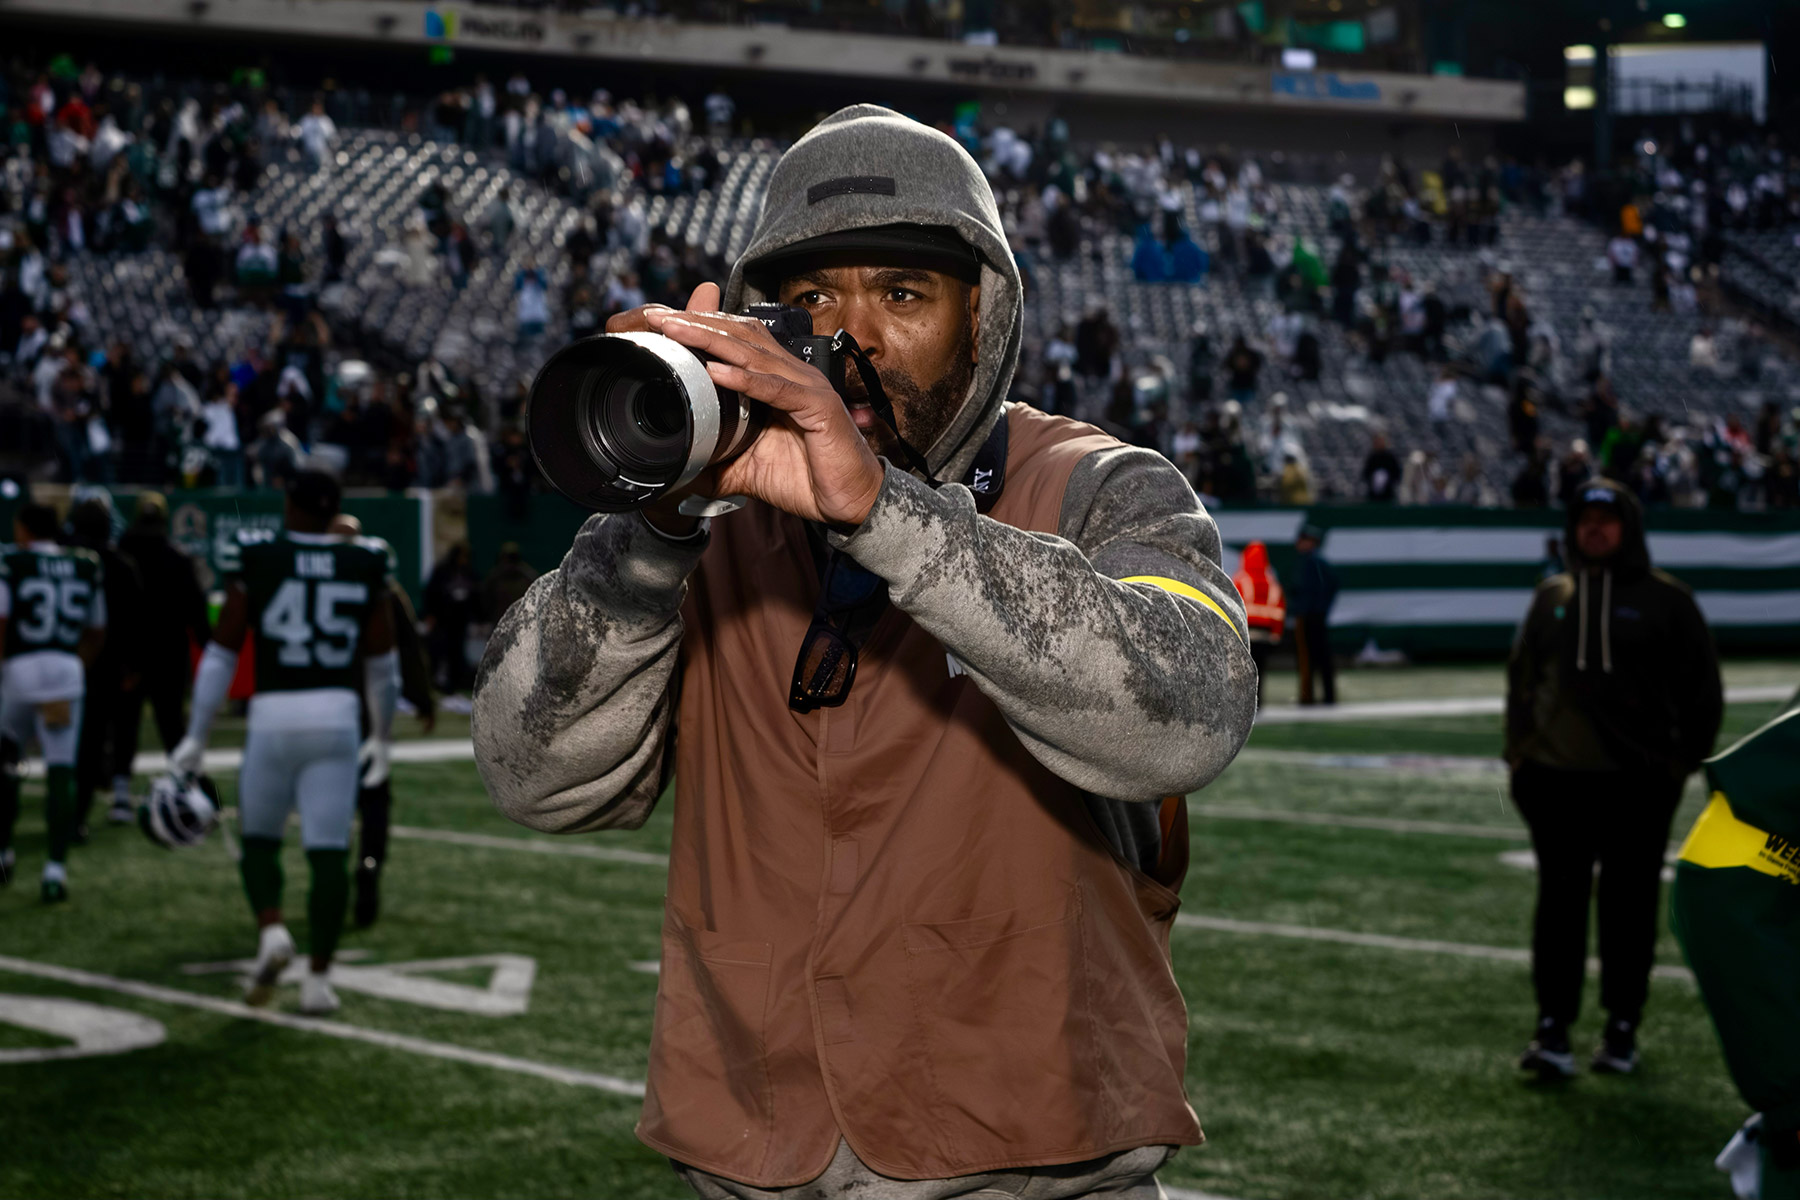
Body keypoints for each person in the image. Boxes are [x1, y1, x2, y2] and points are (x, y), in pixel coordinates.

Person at [472, 104, 1257, 1198]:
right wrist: (649, 529)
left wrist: (888, 513)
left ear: (984, 315)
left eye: (901, 295)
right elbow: (530, 776)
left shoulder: (1097, 486)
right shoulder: (715, 517)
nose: (855, 339)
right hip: (757, 1157)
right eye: (811, 302)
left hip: (1034, 1162)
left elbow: (1194, 709)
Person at [1506, 480, 1722, 1078]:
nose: (1594, 529)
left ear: (1628, 527)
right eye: (1585, 520)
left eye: (1607, 519)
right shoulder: (1552, 596)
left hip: (1638, 785)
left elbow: (1703, 694)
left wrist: (1678, 768)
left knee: (1630, 908)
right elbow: (1521, 682)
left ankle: (1622, 1026)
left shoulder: (1667, 602)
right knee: (1559, 908)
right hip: (1557, 782)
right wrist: (1519, 756)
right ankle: (1553, 1028)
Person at [170, 472, 397, 1015]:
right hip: (338, 717)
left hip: (273, 714)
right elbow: (382, 663)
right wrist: (382, 736)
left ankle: (271, 929)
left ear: (288, 504)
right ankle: (318, 980)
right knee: (327, 852)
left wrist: (196, 735)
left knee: (260, 841)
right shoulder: (366, 559)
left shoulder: (258, 554)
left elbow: (223, 651)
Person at [327, 513, 434, 928]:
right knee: (373, 799)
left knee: (329, 800)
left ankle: (333, 876)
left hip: (324, 709)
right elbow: (406, 647)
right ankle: (368, 863)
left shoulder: (310, 582)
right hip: (369, 712)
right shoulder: (381, 587)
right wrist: (422, 699)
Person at [0, 502, 107, 901]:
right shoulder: (85, 564)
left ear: (25, 528)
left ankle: (3, 852)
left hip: (18, 673)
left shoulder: (12, 563)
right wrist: (71, 665)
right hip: (64, 673)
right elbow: (97, 630)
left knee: (5, 764)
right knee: (61, 772)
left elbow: (1, 622)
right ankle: (55, 870)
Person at [65, 498, 145, 833]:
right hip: (103, 667)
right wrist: (133, 665)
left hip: (57, 664)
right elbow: (136, 622)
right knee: (92, 740)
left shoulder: (61, 559)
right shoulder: (120, 564)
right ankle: (78, 816)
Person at [117, 494, 211, 759]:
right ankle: (182, 782)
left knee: (125, 723)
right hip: (168, 653)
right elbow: (196, 610)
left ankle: (122, 790)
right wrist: (208, 646)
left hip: (128, 652)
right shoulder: (176, 558)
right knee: (172, 724)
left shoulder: (121, 553)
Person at [1289, 523, 1337, 706]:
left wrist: (1316, 607)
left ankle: (1308, 696)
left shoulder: (1313, 562)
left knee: (1309, 656)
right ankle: (1325, 695)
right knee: (1320, 655)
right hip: (1314, 614)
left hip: (1310, 616)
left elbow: (1328, 585)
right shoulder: (1313, 561)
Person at [1232, 540, 1286, 703]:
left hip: (1246, 636)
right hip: (1265, 635)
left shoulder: (1240, 581)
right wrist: (1276, 634)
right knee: (1259, 671)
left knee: (1243, 673)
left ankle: (1245, 704)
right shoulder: (1272, 584)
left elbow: (1232, 608)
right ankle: (1258, 701)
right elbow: (1279, 610)